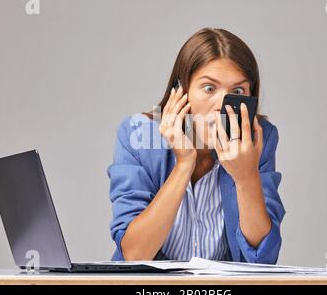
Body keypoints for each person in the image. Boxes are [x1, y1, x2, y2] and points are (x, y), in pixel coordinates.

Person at [107, 28, 285, 263]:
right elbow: (135, 253)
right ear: (182, 91)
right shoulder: (138, 135)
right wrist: (184, 164)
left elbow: (263, 260)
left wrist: (246, 177)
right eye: (209, 88)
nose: (222, 105)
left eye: (237, 91)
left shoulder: (257, 140)